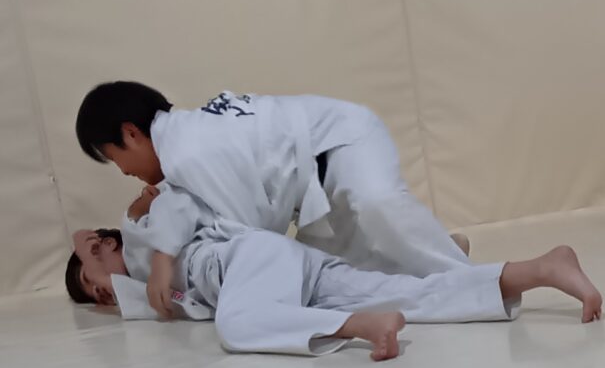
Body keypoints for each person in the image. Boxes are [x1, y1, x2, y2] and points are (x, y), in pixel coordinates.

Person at [65, 212, 600, 360]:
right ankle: (540, 268)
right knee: (408, 296)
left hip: (253, 262)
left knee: (236, 325)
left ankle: (352, 326)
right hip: (288, 272)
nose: (102, 293)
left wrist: (87, 248)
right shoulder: (147, 282)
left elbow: (127, 241)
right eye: (93, 297)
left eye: (92, 279)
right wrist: (101, 281)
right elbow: (143, 301)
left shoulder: (142, 233)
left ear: (100, 245)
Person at [75, 81, 471, 279]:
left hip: (343, 141)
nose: (123, 170)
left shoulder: (186, 152)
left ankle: (476, 278)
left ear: (130, 133)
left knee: (377, 207)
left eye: (113, 158)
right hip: (316, 187)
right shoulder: (186, 138)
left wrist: (165, 254)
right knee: (342, 278)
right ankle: (443, 248)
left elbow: (252, 233)